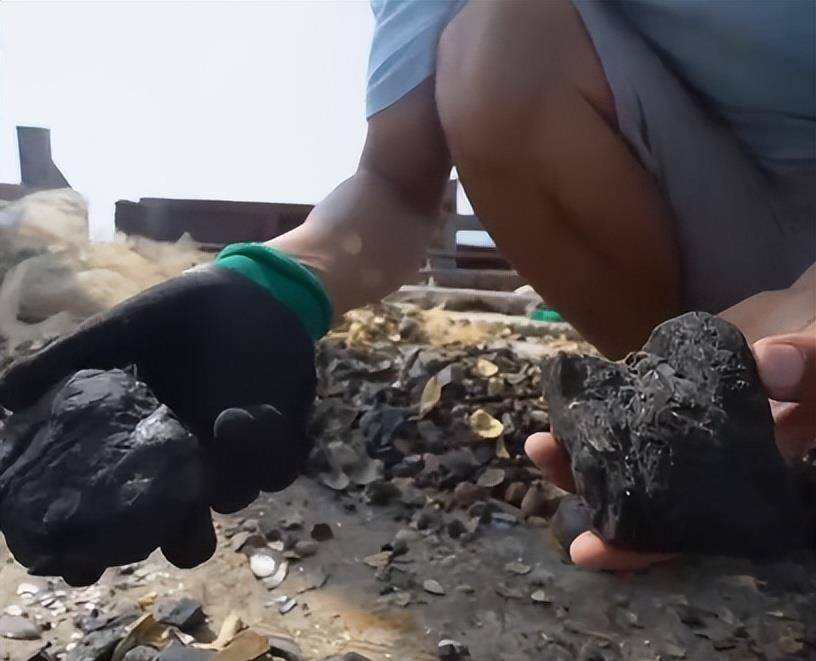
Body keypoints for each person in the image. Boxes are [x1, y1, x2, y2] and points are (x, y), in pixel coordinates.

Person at [1, 0, 813, 572]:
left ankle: (742, 413)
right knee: (496, 48)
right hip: (722, 259)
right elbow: (393, 186)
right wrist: (272, 283)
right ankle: (706, 431)